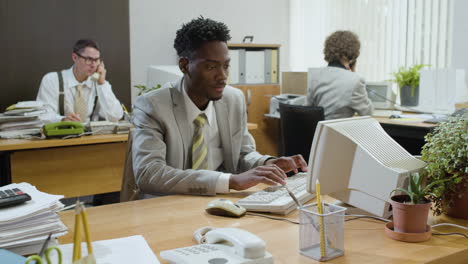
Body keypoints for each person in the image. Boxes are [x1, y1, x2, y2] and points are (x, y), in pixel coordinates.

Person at [131, 17, 307, 196]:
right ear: (184, 65)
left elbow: (242, 155)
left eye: (226, 66)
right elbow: (149, 174)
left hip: (218, 203)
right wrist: (230, 181)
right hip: (167, 207)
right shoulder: (153, 106)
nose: (222, 76)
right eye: (211, 67)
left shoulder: (234, 99)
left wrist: (267, 164)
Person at [36, 39, 123, 123]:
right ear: (75, 57)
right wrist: (62, 120)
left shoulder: (98, 84)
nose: (93, 65)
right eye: (89, 59)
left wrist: (102, 84)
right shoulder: (52, 80)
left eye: (96, 60)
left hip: (90, 137)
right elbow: (43, 115)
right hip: (59, 136)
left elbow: (115, 116)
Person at [305, 30, 373, 120]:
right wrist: (353, 73)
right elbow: (367, 113)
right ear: (352, 53)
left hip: (315, 132)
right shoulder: (355, 80)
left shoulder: (314, 74)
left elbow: (307, 108)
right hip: (337, 132)